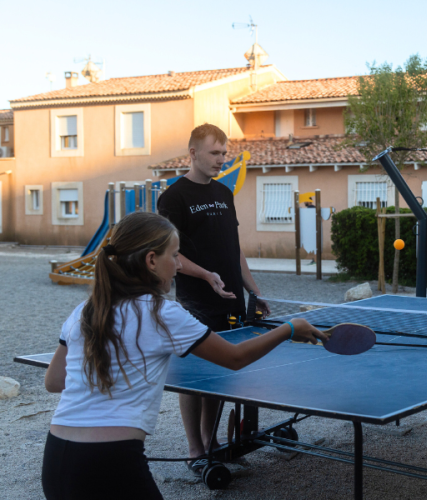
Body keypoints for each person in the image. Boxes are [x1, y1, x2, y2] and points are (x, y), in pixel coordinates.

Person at [42, 212, 325, 500]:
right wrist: (289, 329)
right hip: (112, 460)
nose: (178, 265)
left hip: (56, 458)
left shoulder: (85, 310)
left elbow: (54, 381)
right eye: (175, 255)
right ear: (151, 260)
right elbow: (235, 358)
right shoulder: (161, 313)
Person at [157, 123, 271, 472]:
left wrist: (253, 290)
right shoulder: (173, 197)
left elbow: (234, 249)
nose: (222, 159)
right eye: (215, 153)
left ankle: (212, 442)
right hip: (197, 303)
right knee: (195, 377)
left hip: (231, 300)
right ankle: (195, 450)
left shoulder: (223, 193)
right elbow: (171, 253)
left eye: (224, 153)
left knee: (220, 374)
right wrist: (206, 275)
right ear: (193, 153)